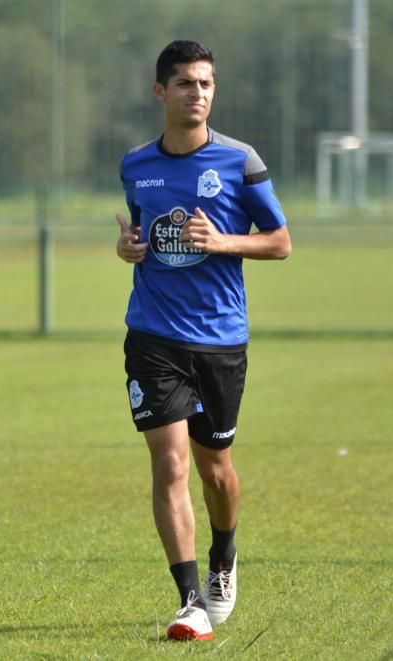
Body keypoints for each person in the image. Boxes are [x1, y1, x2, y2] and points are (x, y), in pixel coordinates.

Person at [116, 40, 291, 641]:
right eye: (187, 83)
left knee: (215, 469)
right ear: (160, 92)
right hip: (152, 336)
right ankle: (190, 600)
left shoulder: (241, 162)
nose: (198, 93)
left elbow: (281, 241)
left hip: (220, 339)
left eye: (207, 84)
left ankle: (224, 553)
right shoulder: (135, 165)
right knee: (169, 462)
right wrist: (128, 248)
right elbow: (141, 234)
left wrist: (222, 243)